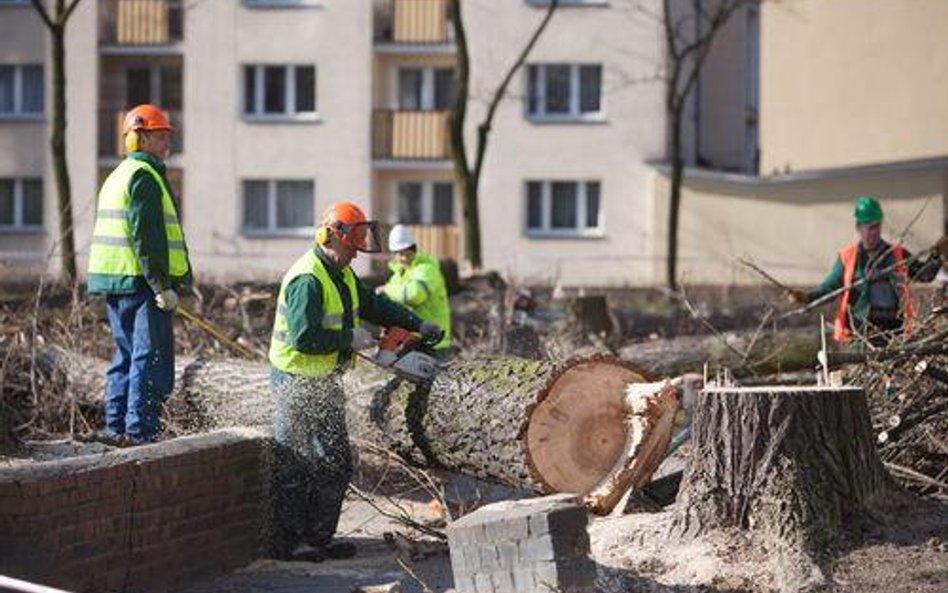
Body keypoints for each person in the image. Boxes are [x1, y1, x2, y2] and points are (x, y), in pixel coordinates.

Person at [268, 202, 443, 562]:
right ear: (334, 235)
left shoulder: (342, 274)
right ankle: (289, 543)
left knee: (334, 461)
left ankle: (319, 537)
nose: (356, 251)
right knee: (295, 463)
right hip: (296, 380)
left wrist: (415, 324)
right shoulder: (308, 279)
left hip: (325, 379)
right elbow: (303, 338)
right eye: (353, 243)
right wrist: (347, 339)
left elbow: (375, 307)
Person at [86, 104, 191, 447]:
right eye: (160, 136)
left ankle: (115, 428)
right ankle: (139, 432)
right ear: (141, 138)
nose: (166, 144)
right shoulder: (145, 177)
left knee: (126, 356)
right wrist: (162, 285)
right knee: (148, 357)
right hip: (143, 284)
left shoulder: (117, 175)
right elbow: (147, 236)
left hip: (117, 281)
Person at [788, 196, 943, 344]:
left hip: (895, 332)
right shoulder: (848, 257)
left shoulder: (897, 254)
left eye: (876, 226)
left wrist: (937, 256)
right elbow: (829, 288)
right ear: (859, 228)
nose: (873, 232)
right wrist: (806, 297)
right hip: (861, 334)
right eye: (868, 227)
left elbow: (924, 275)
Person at [378, 224, 452, 357]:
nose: (403, 257)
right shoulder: (399, 275)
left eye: (406, 251)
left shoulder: (427, 269)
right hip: (412, 342)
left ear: (414, 248)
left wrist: (387, 290)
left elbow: (414, 295)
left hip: (434, 342)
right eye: (399, 253)